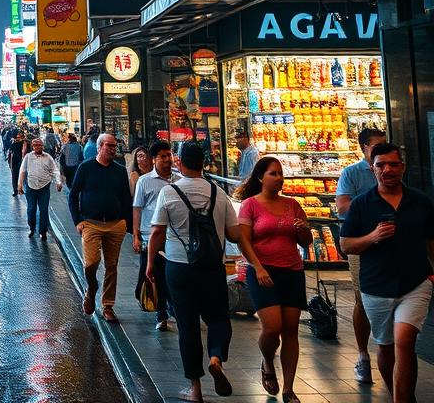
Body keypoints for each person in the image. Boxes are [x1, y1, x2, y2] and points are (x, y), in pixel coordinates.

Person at [147, 141, 267, 403]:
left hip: (178, 267)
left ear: (180, 162)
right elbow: (235, 233)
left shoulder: (169, 193)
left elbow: (157, 232)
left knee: (188, 325)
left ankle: (195, 389)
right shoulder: (218, 193)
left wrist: (149, 264)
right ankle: (215, 358)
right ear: (203, 164)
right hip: (212, 266)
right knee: (218, 317)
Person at [340, 143, 434, 403]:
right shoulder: (361, 204)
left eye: (393, 164)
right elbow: (345, 244)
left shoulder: (420, 201)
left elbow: (431, 240)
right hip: (376, 286)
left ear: (402, 167)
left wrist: (433, 274)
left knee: (405, 342)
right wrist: (372, 237)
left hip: (415, 284)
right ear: (373, 169)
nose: (387, 170)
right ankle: (400, 395)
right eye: (381, 165)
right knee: (386, 347)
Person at [236, 156, 312, 402]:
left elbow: (305, 242)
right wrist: (257, 267)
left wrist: (303, 231)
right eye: (273, 173)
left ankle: (289, 388)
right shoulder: (250, 205)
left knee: (291, 330)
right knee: (272, 328)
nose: (279, 178)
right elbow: (244, 240)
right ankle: (268, 361)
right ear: (260, 177)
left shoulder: (293, 205)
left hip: (291, 271)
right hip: (262, 271)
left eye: (280, 174)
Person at [336, 126, 386, 384]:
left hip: (389, 245)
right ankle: (363, 355)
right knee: (362, 298)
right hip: (359, 244)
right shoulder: (352, 173)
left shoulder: (392, 172)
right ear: (364, 148)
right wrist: (374, 202)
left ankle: (387, 349)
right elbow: (342, 206)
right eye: (376, 147)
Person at [69, 132, 131, 323]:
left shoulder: (119, 170)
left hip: (115, 224)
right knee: (91, 263)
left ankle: (108, 305)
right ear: (100, 147)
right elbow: (73, 195)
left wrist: (126, 223)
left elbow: (126, 198)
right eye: (110, 146)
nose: (113, 149)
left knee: (112, 266)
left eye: (114, 146)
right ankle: (91, 289)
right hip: (91, 224)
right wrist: (78, 220)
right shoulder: (86, 167)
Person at [132, 141, 177, 331]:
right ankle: (161, 312)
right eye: (163, 156)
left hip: (175, 236)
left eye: (169, 155)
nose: (167, 159)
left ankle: (170, 310)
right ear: (154, 159)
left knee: (171, 275)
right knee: (153, 275)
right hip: (150, 236)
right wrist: (136, 235)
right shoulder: (144, 181)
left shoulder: (179, 179)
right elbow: (137, 208)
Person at [17, 137, 62, 240]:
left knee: (43, 210)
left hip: (44, 187)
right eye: (35, 145)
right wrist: (20, 185)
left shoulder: (48, 157)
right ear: (32, 147)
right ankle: (32, 228)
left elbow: (55, 170)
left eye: (39, 145)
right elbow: (22, 171)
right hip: (31, 187)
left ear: (42, 146)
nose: (37, 147)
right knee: (31, 209)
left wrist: (58, 182)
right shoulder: (28, 157)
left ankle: (43, 231)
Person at [7, 131, 27, 196]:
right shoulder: (14, 144)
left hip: (22, 161)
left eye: (20, 137)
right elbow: (10, 152)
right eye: (18, 137)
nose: (19, 138)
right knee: (15, 176)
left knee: (21, 176)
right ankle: (16, 190)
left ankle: (20, 189)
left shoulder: (24, 143)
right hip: (15, 162)